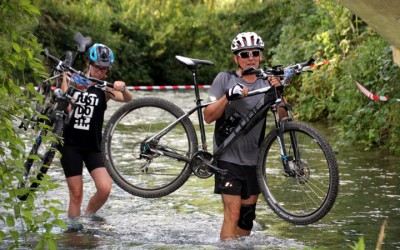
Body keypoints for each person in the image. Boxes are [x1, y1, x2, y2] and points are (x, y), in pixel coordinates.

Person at [203, 32, 284, 241]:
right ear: (236, 58)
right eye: (244, 54)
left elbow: (283, 118)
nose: (250, 57)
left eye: (254, 53)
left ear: (260, 56)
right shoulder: (224, 78)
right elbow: (208, 116)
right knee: (233, 213)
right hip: (227, 158)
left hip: (253, 160)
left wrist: (279, 93)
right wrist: (228, 96)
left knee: (247, 219)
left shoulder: (266, 81)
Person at [60, 43, 133, 219]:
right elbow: (66, 107)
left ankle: (87, 217)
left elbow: (128, 100)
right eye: (97, 67)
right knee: (76, 194)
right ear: (89, 64)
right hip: (70, 145)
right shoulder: (73, 80)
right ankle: (74, 233)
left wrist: (123, 88)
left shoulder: (104, 88)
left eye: (105, 69)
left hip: (93, 146)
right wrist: (65, 80)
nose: (101, 72)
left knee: (105, 188)